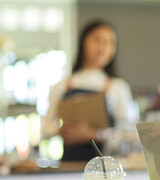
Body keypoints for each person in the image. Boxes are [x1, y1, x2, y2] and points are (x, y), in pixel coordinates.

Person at [43, 20, 136, 161]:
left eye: (110, 42)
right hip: (69, 167)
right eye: (97, 40)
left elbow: (129, 134)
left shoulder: (118, 87)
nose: (103, 47)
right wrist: (62, 130)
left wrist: (93, 134)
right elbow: (45, 129)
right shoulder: (62, 85)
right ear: (83, 42)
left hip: (106, 170)